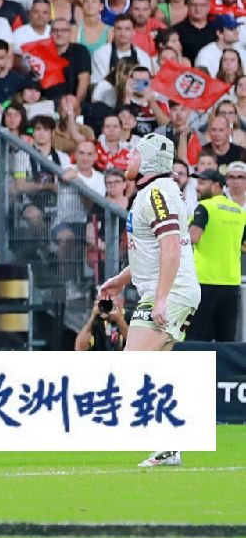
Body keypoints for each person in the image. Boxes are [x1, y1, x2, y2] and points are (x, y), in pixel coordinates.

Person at [98, 132, 202, 468]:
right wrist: (119, 281)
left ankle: (176, 433)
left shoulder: (157, 192)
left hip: (171, 291)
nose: (128, 159)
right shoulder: (156, 192)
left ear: (149, 161)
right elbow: (154, 251)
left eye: (134, 154)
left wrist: (161, 299)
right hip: (169, 290)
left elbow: (171, 247)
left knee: (132, 367)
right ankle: (169, 444)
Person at [187, 159, 246, 342]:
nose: (198, 187)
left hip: (205, 281)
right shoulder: (239, 211)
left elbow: (193, 237)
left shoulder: (205, 207)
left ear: (217, 186)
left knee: (198, 339)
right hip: (231, 282)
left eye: (202, 183)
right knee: (226, 340)